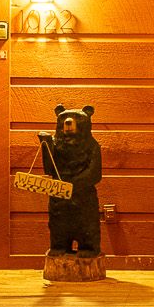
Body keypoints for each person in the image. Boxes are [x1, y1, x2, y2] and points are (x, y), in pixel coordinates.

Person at [39, 106, 102, 256]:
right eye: (64, 119)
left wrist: (72, 184)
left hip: (83, 194)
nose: (68, 122)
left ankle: (88, 247)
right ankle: (59, 245)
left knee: (86, 221)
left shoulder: (92, 146)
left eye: (76, 119)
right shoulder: (56, 143)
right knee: (58, 221)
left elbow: (94, 174)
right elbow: (49, 170)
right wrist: (46, 145)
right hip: (59, 194)